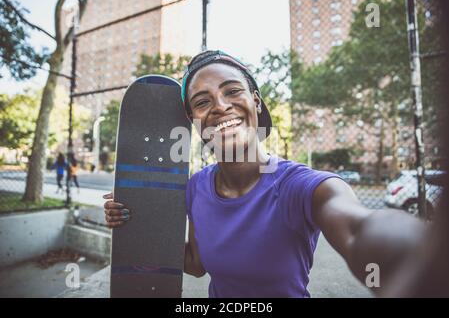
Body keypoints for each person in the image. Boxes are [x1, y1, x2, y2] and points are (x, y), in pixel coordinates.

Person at [103, 50, 438, 297]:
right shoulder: (194, 189)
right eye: (203, 102)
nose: (220, 106)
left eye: (232, 91)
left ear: (256, 102)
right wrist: (137, 226)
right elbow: (196, 264)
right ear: (194, 121)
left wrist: (421, 258)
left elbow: (357, 226)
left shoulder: (299, 186)